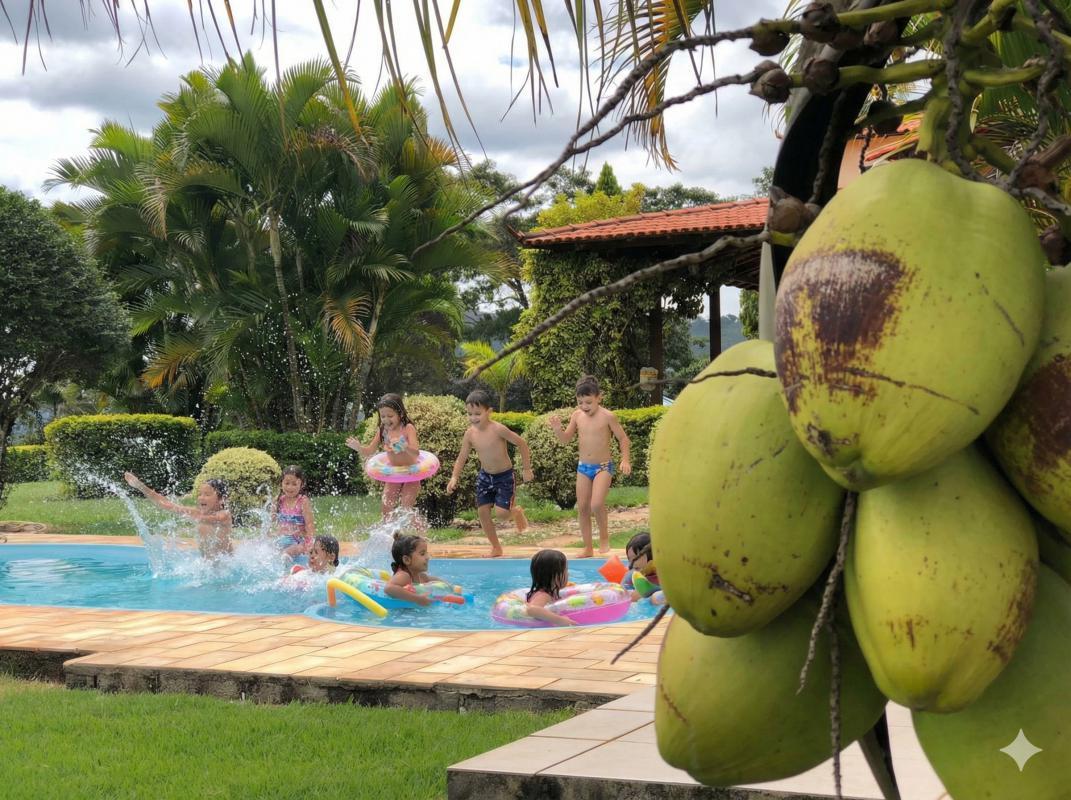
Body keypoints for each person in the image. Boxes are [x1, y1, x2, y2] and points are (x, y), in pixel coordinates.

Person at [549, 375, 632, 557]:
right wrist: (557, 430)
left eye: (588, 402)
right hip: (583, 468)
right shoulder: (577, 416)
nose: (584, 406)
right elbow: (566, 439)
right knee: (583, 507)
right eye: (580, 402)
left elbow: (623, 439)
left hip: (603, 467)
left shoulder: (608, 416)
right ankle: (587, 547)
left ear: (599, 398)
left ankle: (604, 538)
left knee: (596, 504)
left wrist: (625, 460)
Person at [446, 389, 534, 557]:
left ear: (489, 412)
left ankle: (516, 512)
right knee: (482, 511)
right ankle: (496, 547)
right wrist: (454, 477)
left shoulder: (498, 429)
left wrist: (526, 468)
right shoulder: (470, 434)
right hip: (485, 476)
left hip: (504, 476)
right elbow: (461, 457)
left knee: (501, 515)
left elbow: (522, 443)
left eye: (477, 413)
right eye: (470, 414)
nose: (473, 418)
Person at [346, 393, 423, 518]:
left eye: (390, 416)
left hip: (411, 472)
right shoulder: (383, 430)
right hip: (394, 473)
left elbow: (416, 453)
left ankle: (421, 534)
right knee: (386, 509)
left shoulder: (408, 428)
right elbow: (370, 451)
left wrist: (405, 447)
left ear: (401, 414)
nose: (386, 419)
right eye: (383, 416)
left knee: (406, 509)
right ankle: (389, 536)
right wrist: (358, 448)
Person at [124, 472, 232, 558]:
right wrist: (140, 486)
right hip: (208, 567)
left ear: (222, 499)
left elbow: (214, 518)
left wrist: (187, 517)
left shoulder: (224, 515)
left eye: (207, 494)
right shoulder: (197, 513)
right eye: (200, 494)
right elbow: (167, 505)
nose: (201, 498)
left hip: (226, 565)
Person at [385, 533, 443, 606]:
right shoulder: (404, 575)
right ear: (407, 560)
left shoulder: (421, 576)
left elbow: (434, 579)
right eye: (422, 554)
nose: (427, 557)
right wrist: (418, 599)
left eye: (427, 553)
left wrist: (450, 587)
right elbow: (389, 588)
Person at [524, 549, 577, 626]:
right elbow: (532, 610)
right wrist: (560, 620)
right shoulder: (543, 595)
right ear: (554, 576)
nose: (568, 573)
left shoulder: (552, 592)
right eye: (566, 569)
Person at [274, 465, 315, 558]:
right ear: (281, 483)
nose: (290, 487)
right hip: (282, 539)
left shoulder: (303, 502)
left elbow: (310, 525)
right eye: (287, 483)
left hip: (298, 542)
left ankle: (288, 569)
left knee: (286, 553)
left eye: (294, 484)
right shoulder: (279, 500)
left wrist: (309, 544)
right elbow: (272, 522)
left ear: (301, 484)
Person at [622, 530, 660, 602]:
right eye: (629, 559)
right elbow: (622, 591)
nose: (631, 563)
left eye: (636, 558)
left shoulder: (663, 574)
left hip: (659, 598)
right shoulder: (631, 575)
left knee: (656, 597)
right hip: (642, 603)